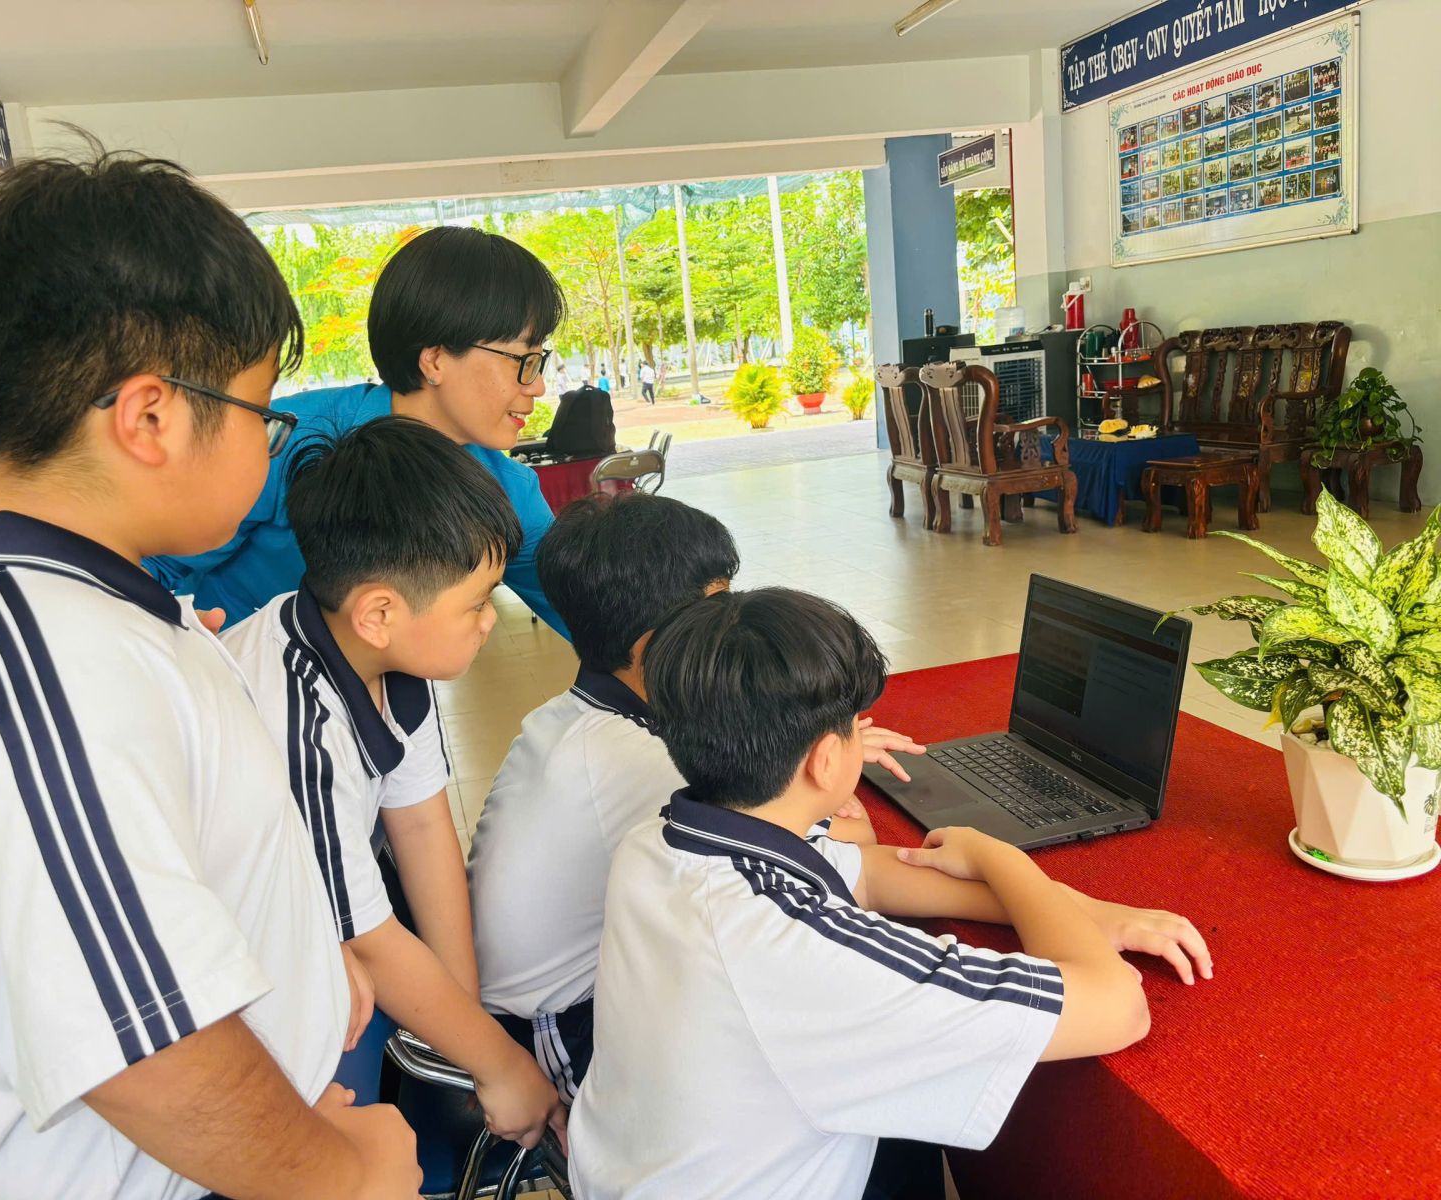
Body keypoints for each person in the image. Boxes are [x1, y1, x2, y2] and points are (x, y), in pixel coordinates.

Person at [0, 151, 421, 1199]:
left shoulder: (93, 609)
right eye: (262, 410)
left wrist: (303, 962)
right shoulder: (44, 674)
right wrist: (346, 1178)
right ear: (151, 417)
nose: (269, 444)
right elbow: (146, 1051)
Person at [569, 588, 1206, 1200]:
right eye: (855, 725)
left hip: (637, 1169)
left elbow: (871, 873)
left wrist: (1073, 907)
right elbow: (1118, 1007)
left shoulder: (662, 841)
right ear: (826, 760)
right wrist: (1004, 856)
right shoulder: (806, 958)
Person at [468, 494, 890, 1103]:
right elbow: (829, 851)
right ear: (654, 644)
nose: (734, 618)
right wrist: (830, 787)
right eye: (718, 605)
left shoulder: (581, 717)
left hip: (583, 988)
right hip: (562, 1025)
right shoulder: (634, 757)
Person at [221, 415, 564, 1153]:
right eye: (478, 603)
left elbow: (421, 826)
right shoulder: (300, 727)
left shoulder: (383, 655)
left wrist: (469, 1038)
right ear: (379, 612)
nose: (488, 622)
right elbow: (368, 940)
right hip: (239, 959)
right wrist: (501, 1066)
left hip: (319, 908)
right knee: (338, 1080)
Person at [147, 226, 572, 638]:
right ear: (436, 359)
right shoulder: (284, 439)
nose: (538, 386)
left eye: (540, 360)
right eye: (524, 361)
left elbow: (587, 613)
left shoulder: (509, 492)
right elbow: (151, 563)